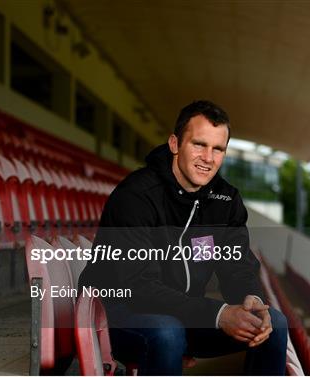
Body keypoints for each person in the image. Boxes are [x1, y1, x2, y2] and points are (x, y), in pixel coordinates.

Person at [79, 100, 288, 376]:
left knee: (272, 322)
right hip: (118, 313)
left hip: (182, 314)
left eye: (218, 149)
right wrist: (218, 314)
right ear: (175, 144)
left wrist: (252, 300)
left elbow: (238, 266)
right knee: (167, 332)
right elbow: (137, 286)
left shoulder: (225, 200)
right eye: (199, 144)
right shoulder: (136, 196)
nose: (208, 158)